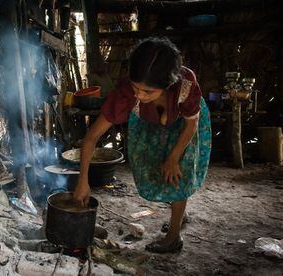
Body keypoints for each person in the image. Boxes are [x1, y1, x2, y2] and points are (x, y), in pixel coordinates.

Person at [73, 37, 211, 253]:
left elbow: (190, 127)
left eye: (148, 92)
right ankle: (179, 211)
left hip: (185, 124)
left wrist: (174, 158)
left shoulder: (186, 86)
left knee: (177, 173)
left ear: (168, 85)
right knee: (155, 168)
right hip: (148, 122)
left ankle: (174, 236)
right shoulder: (127, 93)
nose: (139, 94)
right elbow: (91, 138)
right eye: (136, 88)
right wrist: (83, 181)